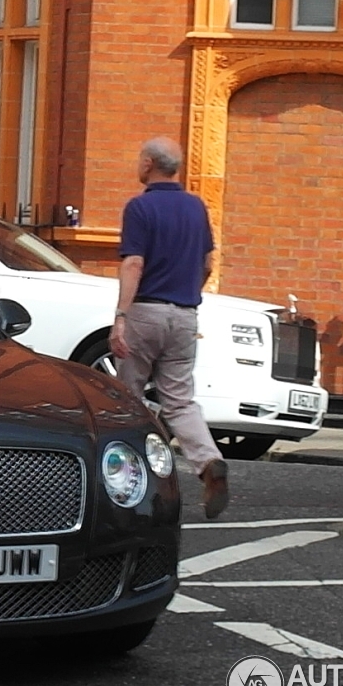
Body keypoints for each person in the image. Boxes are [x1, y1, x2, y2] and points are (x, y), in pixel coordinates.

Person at [110, 136, 229, 519]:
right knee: (179, 399)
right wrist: (188, 294)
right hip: (185, 314)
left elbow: (133, 264)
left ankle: (130, 481)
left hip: (146, 311)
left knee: (127, 396)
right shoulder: (196, 207)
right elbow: (208, 262)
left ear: (148, 163)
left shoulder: (140, 207)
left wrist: (121, 317)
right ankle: (208, 462)